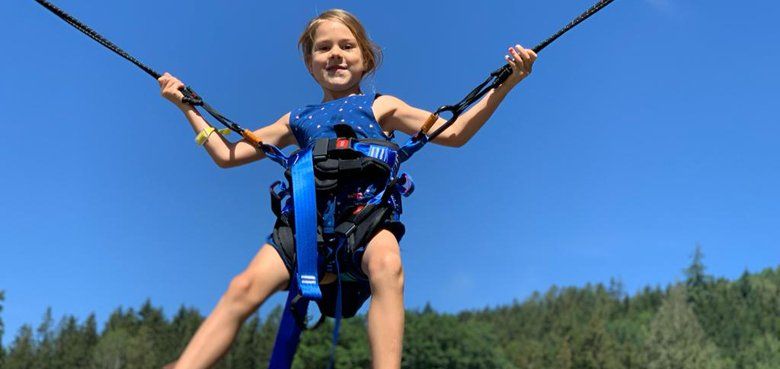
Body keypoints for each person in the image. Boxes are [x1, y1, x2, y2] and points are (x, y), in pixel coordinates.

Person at [158, 8, 536, 369]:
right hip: (305, 226)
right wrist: (186, 107)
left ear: (366, 59)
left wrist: (508, 81)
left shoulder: (381, 105)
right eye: (323, 48)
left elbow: (453, 132)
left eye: (346, 46)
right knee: (242, 287)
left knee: (387, 264)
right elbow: (228, 154)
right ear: (310, 64)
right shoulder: (297, 118)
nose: (335, 54)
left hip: (365, 218)